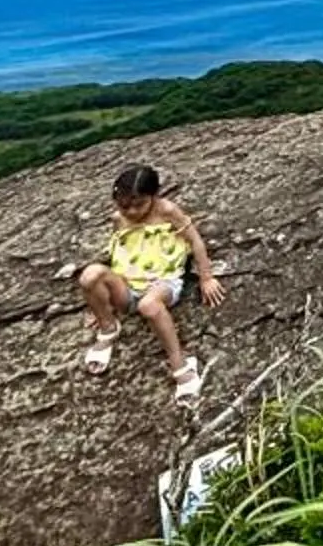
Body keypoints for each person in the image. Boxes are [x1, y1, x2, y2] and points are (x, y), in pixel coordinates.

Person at [76, 163, 220, 403]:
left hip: (162, 282)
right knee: (90, 275)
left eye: (138, 204)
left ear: (153, 196)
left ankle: (181, 365)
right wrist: (101, 303)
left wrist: (206, 277)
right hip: (128, 283)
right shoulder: (118, 218)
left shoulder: (168, 212)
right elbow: (120, 252)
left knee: (149, 306)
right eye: (124, 205)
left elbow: (195, 241)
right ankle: (108, 328)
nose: (131, 211)